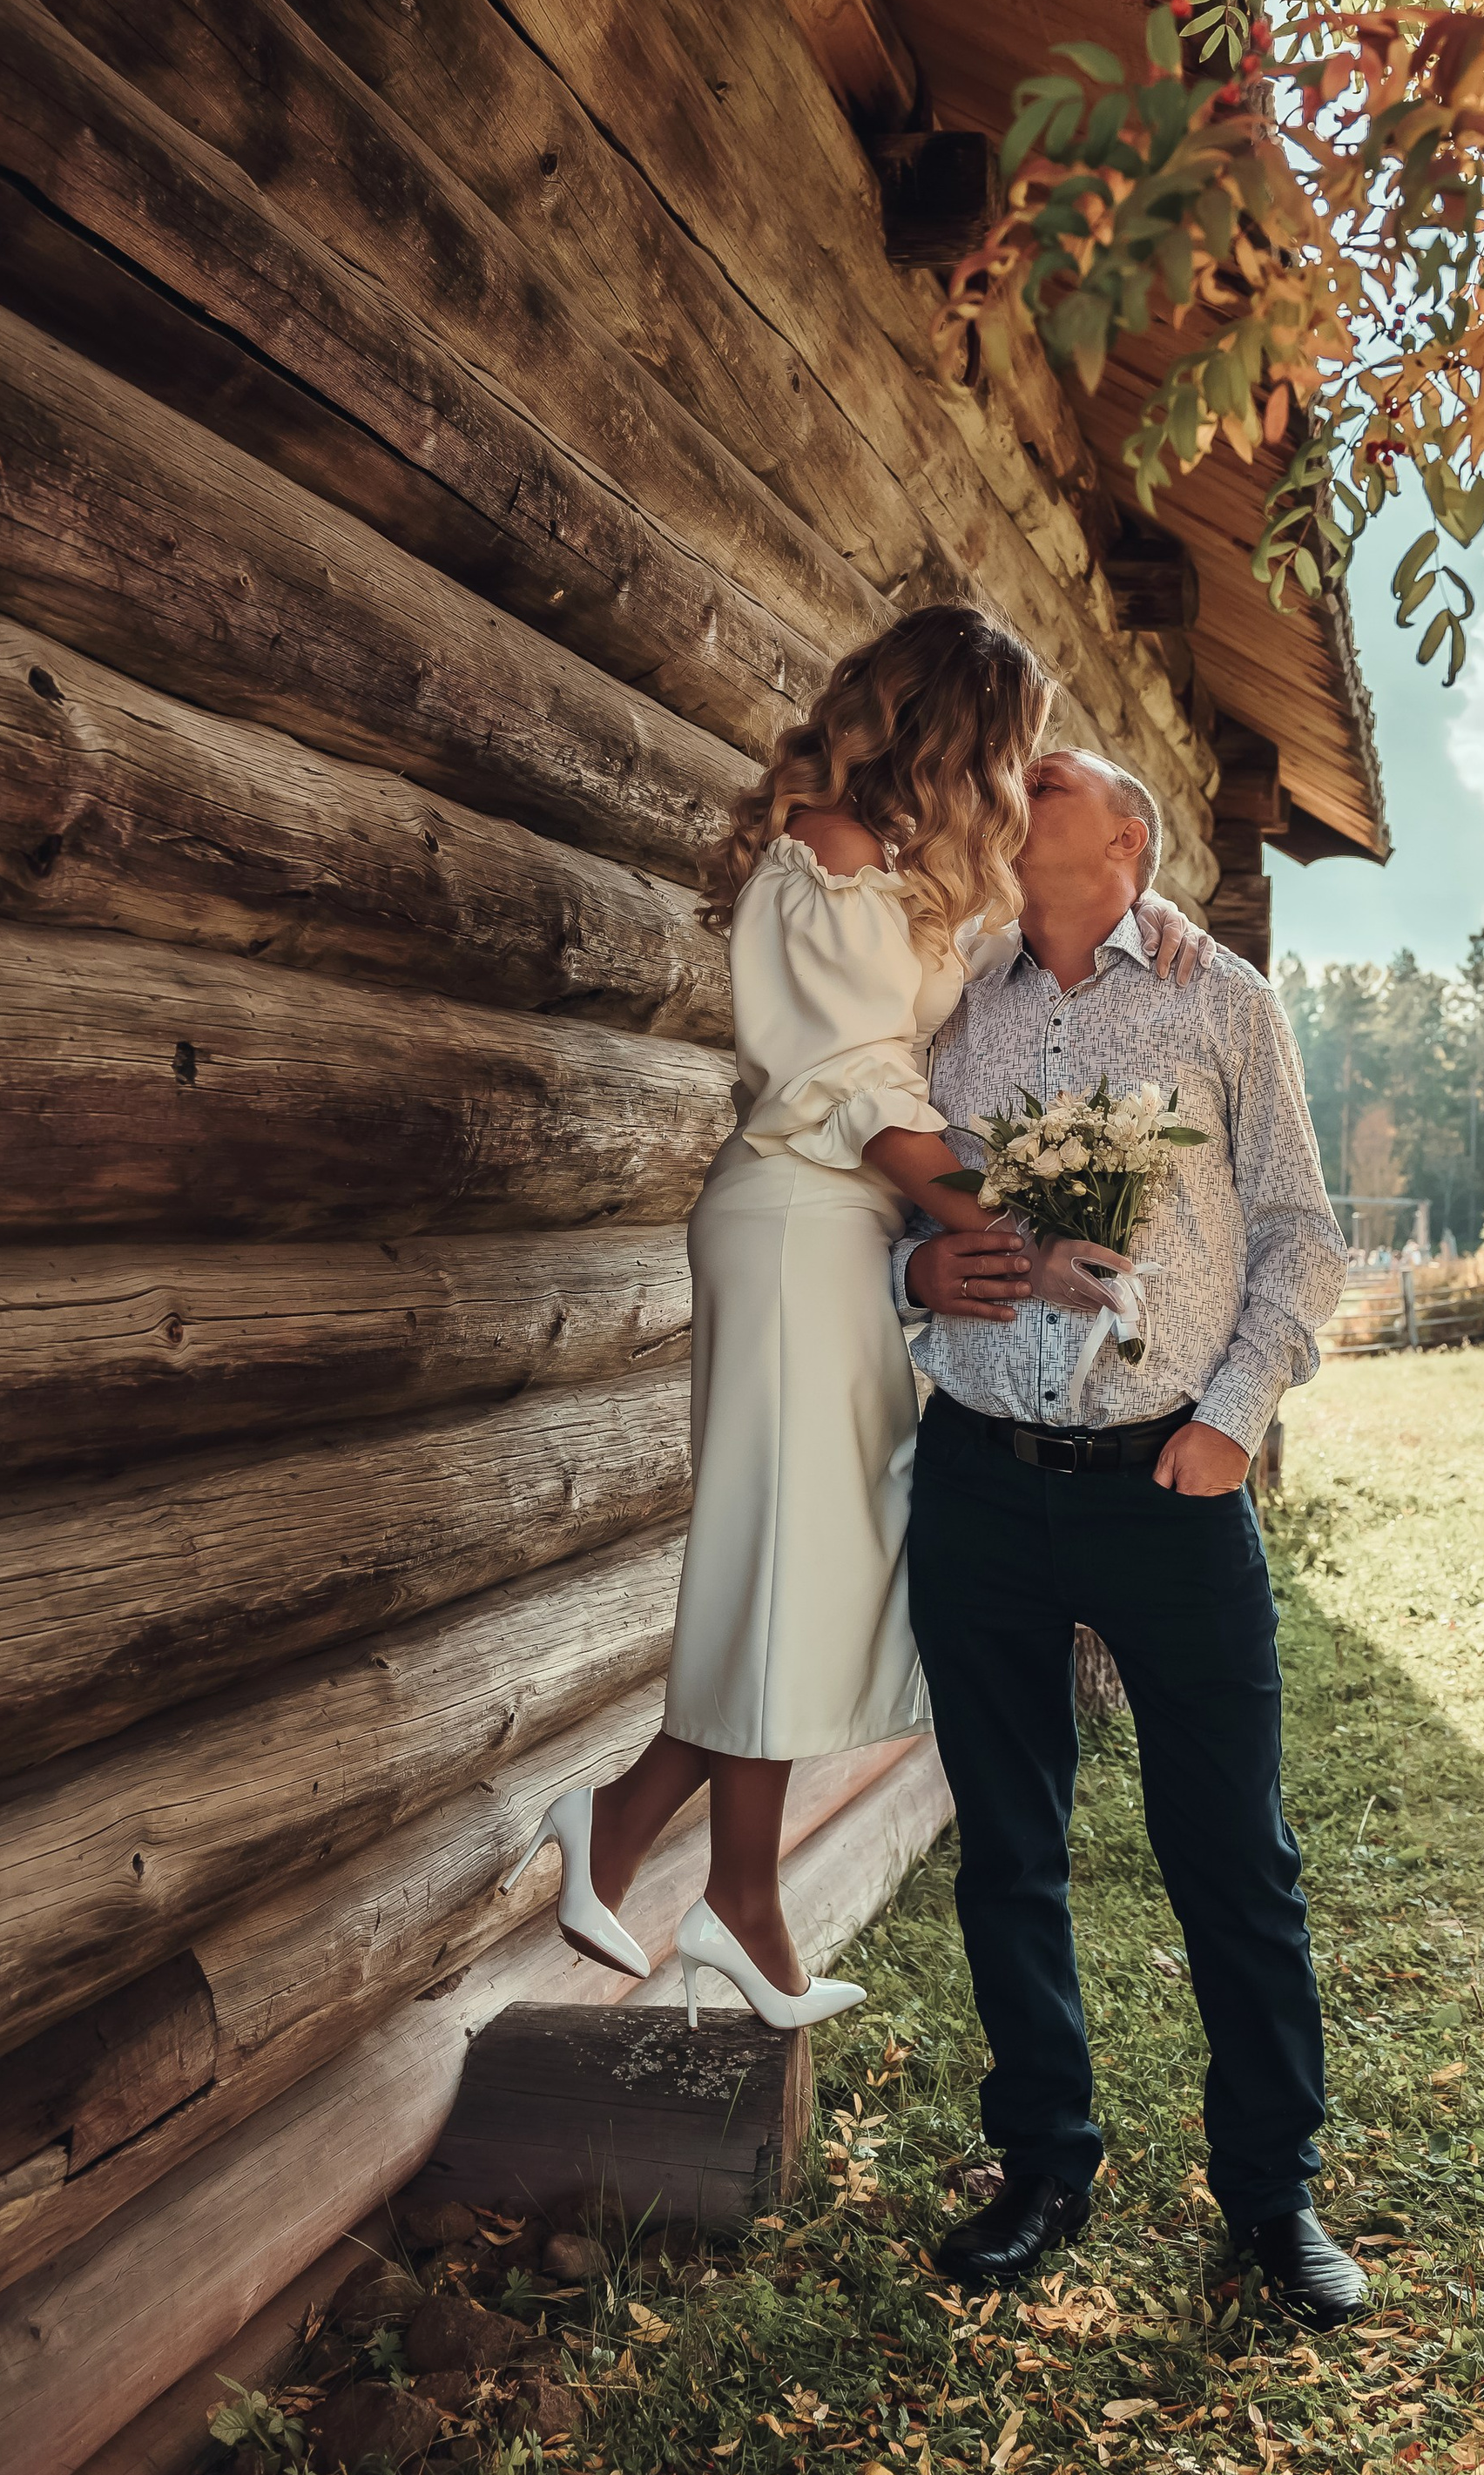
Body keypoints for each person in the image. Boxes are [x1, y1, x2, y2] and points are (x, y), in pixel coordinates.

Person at [502, 608, 1208, 2030]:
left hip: (843, 1237)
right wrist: (1014, 1232)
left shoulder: (885, 871)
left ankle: (667, 1853)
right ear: (959, 732)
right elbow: (867, 1105)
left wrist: (1151, 909)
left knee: (816, 1556)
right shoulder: (824, 859)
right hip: (795, 1225)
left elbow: (1016, 945)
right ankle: (700, 1877)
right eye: (1011, 750)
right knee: (795, 1551)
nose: (1017, 783)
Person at [899, 747, 1365, 2329]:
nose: (1014, 791)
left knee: (1233, 1852)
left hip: (1171, 1476)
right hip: (979, 1474)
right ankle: (1040, 2167)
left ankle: (1273, 2194)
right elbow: (878, 1188)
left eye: (1052, 786)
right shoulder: (951, 996)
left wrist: (1232, 1417)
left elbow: (1302, 1226)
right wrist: (918, 1278)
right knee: (1008, 1845)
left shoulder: (1217, 995)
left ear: (1129, 843)